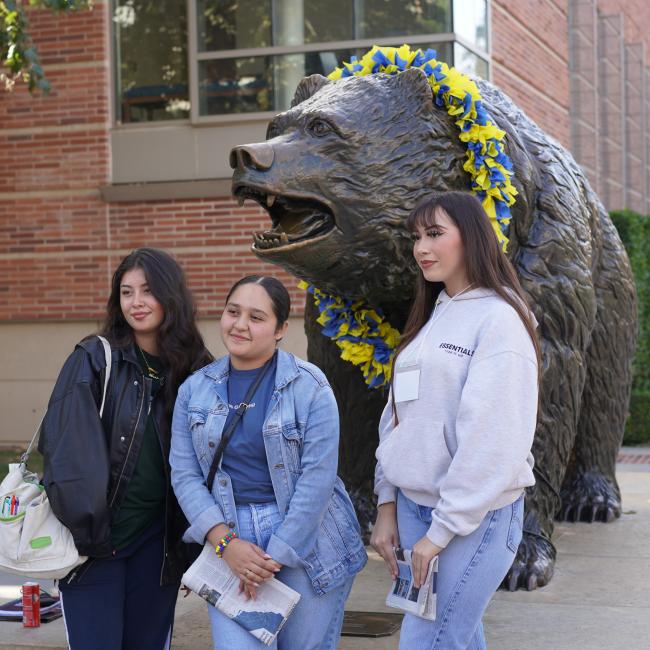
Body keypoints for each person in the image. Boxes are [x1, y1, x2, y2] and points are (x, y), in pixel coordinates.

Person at [371, 192, 540, 650]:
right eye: (416, 237)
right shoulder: (432, 317)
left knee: (429, 640)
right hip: (412, 508)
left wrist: (441, 531)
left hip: (474, 518)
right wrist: (387, 503)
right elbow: (398, 419)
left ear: (472, 238)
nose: (421, 248)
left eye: (434, 234)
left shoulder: (499, 319)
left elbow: (495, 439)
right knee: (457, 639)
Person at [170, 275, 367, 650]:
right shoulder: (194, 390)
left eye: (256, 317)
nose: (240, 324)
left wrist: (271, 557)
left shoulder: (311, 386)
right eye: (233, 312)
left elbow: (318, 479)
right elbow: (184, 473)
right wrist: (225, 543)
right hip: (230, 532)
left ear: (280, 330)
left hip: (307, 535)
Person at [38, 248, 213, 650]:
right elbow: (67, 456)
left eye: (148, 291)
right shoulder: (95, 358)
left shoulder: (196, 368)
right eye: (127, 291)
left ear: (171, 296)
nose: (136, 302)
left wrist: (189, 551)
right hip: (97, 545)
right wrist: (89, 536)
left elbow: (207, 463)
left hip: (157, 547)